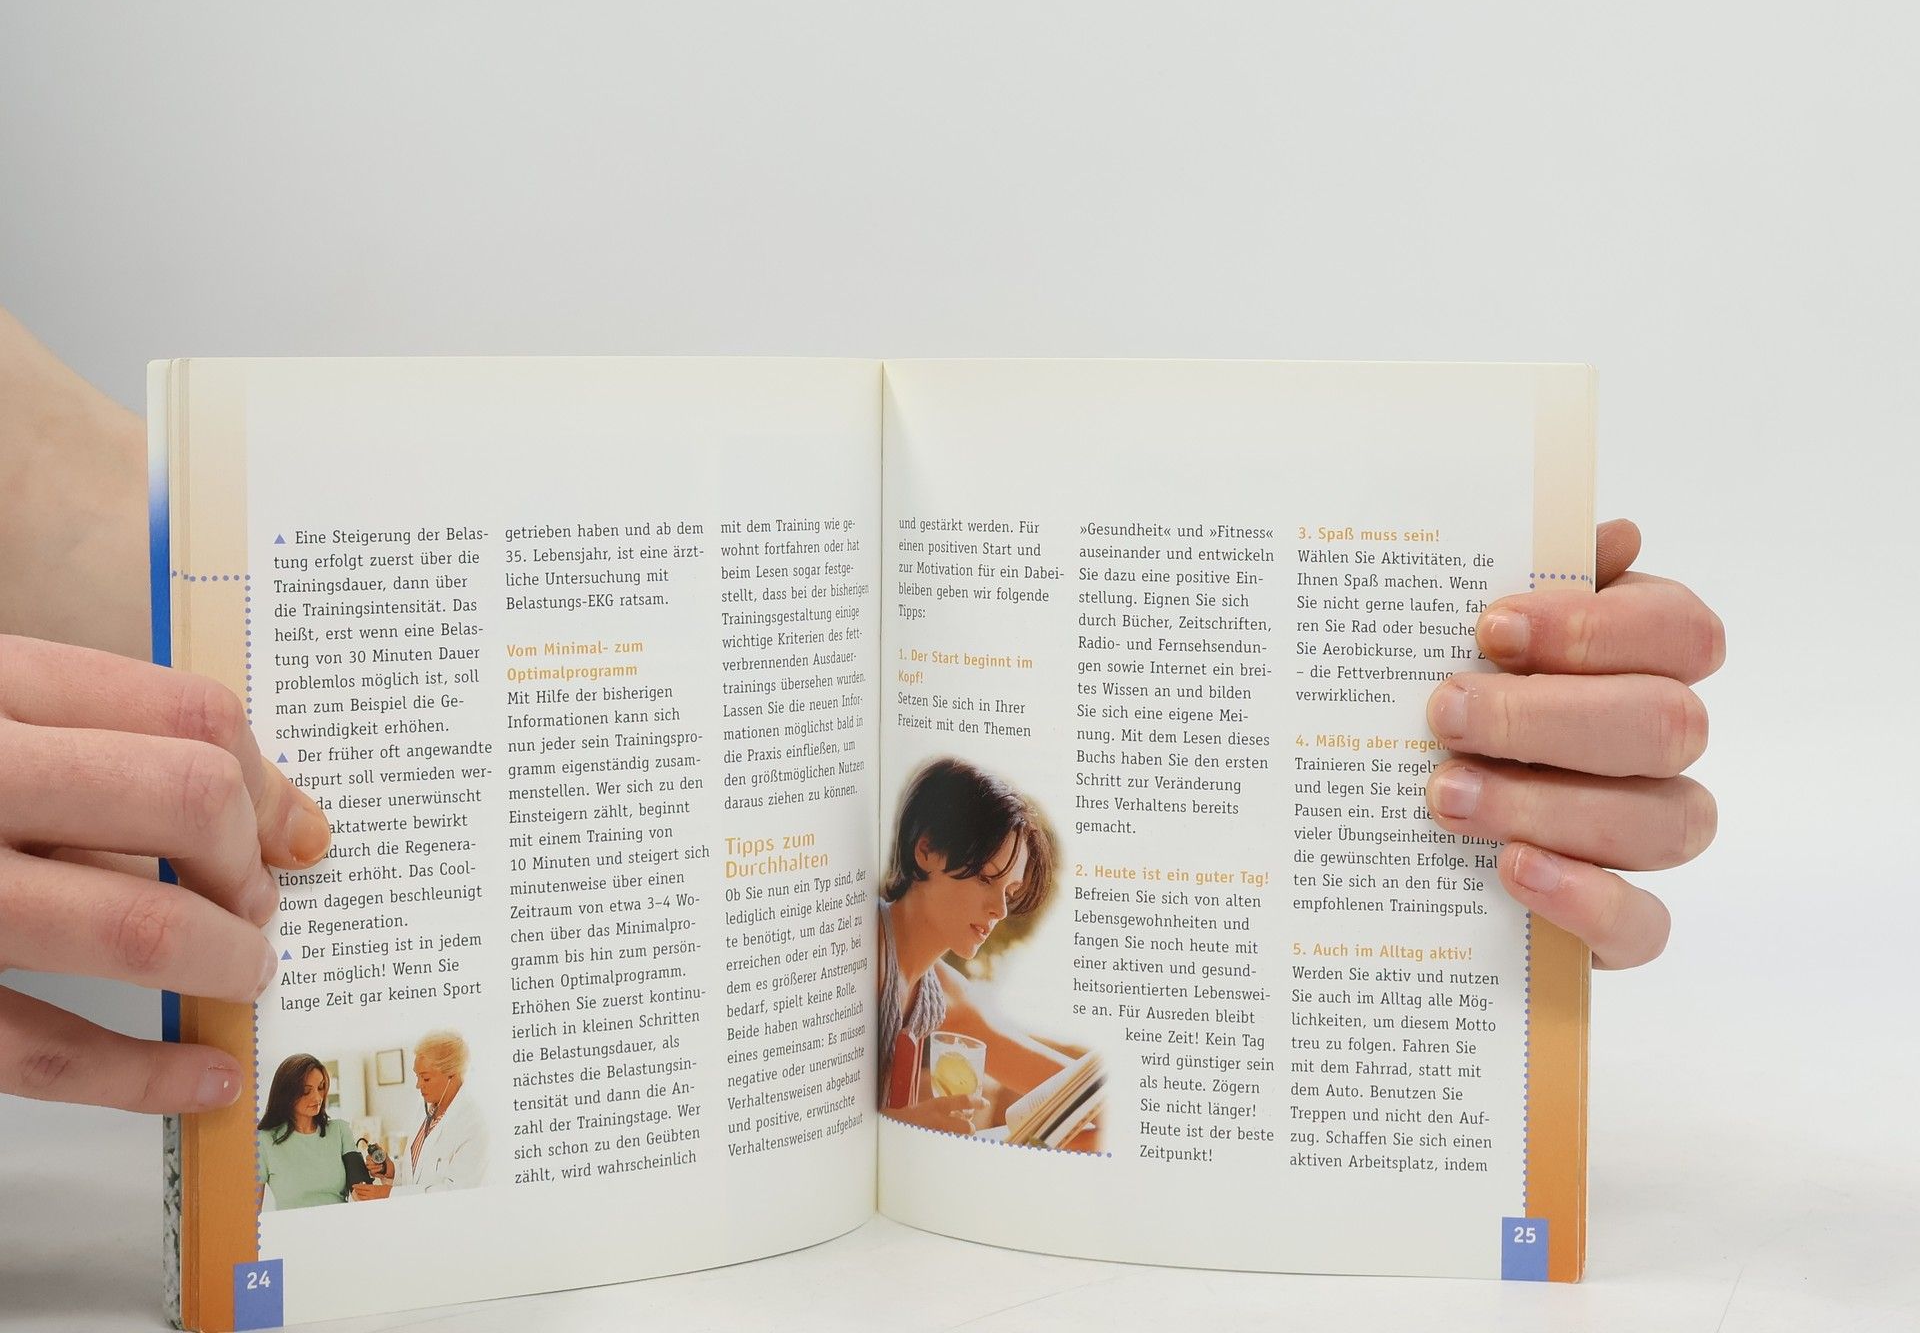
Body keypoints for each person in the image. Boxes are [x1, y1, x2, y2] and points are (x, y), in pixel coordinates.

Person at [0, 307, 1723, 1115]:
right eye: (995, 888)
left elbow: (78, 514)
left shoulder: (925, 988)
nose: (1001, 918)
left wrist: (1433, 684)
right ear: (935, 863)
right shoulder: (832, 955)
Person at [878, 757, 1080, 1135]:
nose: (1000, 910)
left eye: (1010, 892)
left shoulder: (942, 995)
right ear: (926, 851)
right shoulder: (862, 945)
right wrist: (904, 1123)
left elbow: (1075, 1093)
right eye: (986, 879)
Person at [346, 1031, 489, 1198]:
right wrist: (390, 1170)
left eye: (425, 1078)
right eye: (417, 1076)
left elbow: (457, 1192)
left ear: (452, 1074)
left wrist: (389, 1194)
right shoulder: (425, 1110)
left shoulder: (473, 1124)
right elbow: (415, 1172)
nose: (418, 1085)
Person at [256, 1054, 361, 1209]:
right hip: (292, 1225)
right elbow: (250, 1213)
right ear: (286, 1094)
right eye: (306, 1090)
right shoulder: (264, 1140)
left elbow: (364, 1192)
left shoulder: (340, 1131)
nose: (317, 1097)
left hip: (340, 1222)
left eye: (321, 1087)